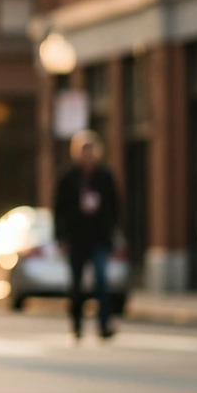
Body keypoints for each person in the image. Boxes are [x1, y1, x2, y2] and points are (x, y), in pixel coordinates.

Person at [54, 130, 121, 341]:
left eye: (91, 150)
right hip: (76, 237)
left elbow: (115, 206)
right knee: (76, 283)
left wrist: (113, 231)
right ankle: (77, 324)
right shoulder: (68, 178)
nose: (88, 154)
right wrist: (61, 236)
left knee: (101, 280)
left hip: (99, 236)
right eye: (84, 150)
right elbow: (59, 208)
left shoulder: (104, 176)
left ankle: (104, 323)